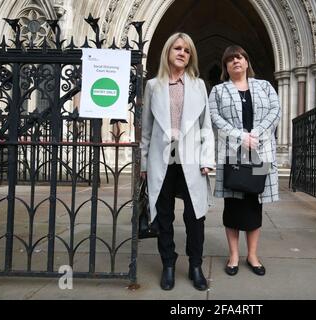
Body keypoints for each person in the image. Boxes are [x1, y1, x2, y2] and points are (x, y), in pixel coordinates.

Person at [140, 32, 215, 291]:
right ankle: (168, 265)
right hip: (161, 160)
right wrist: (143, 164)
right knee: (164, 216)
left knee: (196, 216)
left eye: (187, 50)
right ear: (168, 53)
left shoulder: (198, 85)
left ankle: (195, 265)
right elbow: (147, 129)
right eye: (177, 48)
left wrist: (207, 160)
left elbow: (207, 127)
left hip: (191, 161)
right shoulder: (153, 86)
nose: (182, 53)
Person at [209, 45, 280, 276]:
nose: (235, 61)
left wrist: (255, 134)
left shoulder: (265, 86)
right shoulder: (218, 91)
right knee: (233, 206)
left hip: (260, 151)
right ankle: (233, 256)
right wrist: (241, 137)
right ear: (225, 67)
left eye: (239, 57)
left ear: (247, 62)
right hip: (233, 154)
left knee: (254, 204)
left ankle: (252, 254)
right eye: (230, 59)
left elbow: (275, 111)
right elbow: (214, 117)